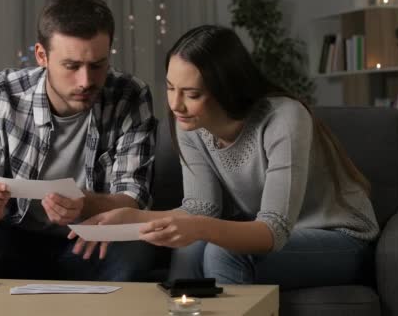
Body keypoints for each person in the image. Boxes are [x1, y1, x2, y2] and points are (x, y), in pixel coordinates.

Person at [71, 25, 380, 288]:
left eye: (192, 94)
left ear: (226, 89)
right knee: (191, 248)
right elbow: (201, 208)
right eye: (170, 88)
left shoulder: (284, 119)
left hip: (339, 240)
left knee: (222, 251)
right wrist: (135, 217)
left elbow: (273, 230)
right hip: (280, 238)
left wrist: (201, 229)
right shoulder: (190, 125)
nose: (176, 105)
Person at [0, 0, 158, 282]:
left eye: (97, 65)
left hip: (89, 241)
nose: (86, 81)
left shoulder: (130, 95)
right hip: (11, 240)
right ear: (42, 56)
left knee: (137, 250)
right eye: (71, 66)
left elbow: (133, 201)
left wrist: (84, 204)